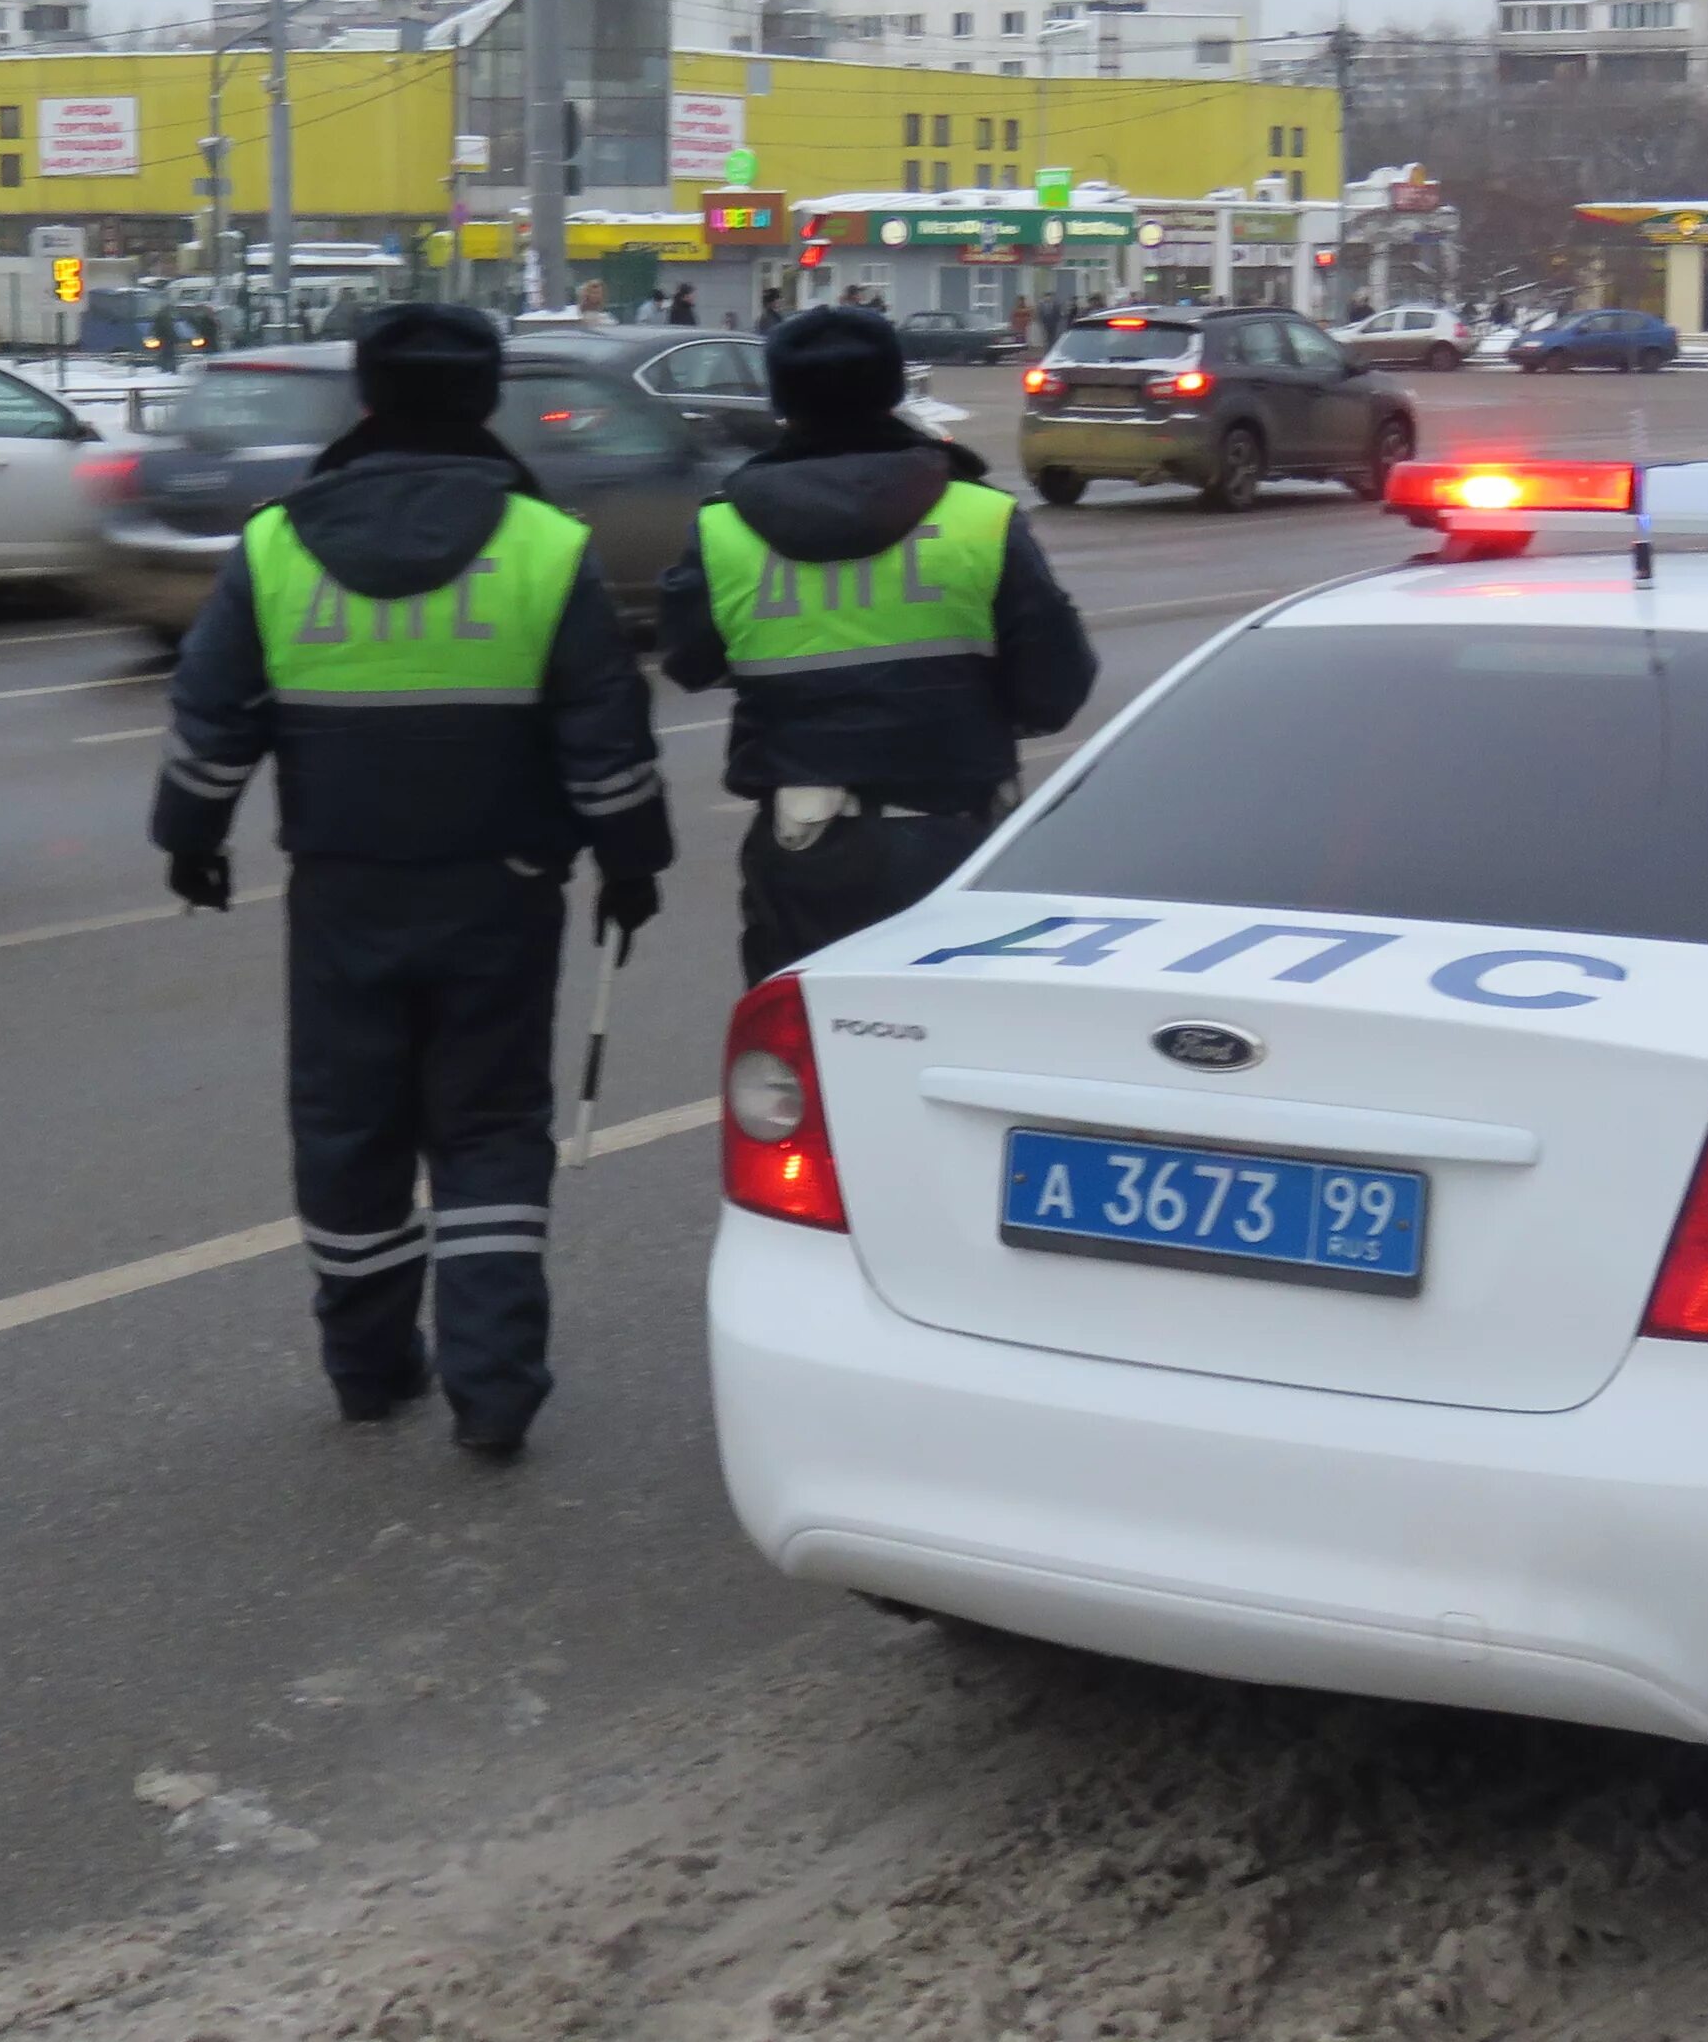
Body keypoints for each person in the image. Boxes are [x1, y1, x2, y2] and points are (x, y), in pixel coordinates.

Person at [152, 305, 671, 1457]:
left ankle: (371, 1371)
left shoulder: (279, 545)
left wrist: (191, 833)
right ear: (484, 402)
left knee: (350, 1127)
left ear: (367, 402)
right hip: (503, 890)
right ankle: (492, 1392)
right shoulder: (544, 546)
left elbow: (212, 711)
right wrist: (634, 863)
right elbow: (606, 732)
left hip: (341, 892)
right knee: (489, 1132)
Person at [660, 305, 1096, 984]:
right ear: (895, 391)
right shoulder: (979, 516)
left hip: (809, 857)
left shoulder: (725, 528)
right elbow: (1056, 689)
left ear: (781, 400)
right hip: (959, 848)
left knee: (813, 1065)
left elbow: (688, 661)